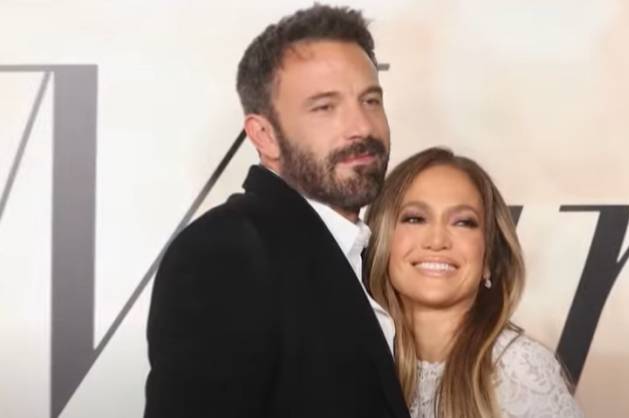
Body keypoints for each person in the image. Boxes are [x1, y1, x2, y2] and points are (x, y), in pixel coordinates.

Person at [145, 5, 409, 418]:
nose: (361, 125)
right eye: (325, 107)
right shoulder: (225, 252)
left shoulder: (358, 256)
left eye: (371, 100)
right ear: (264, 135)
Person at [365, 148, 584, 418]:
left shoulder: (518, 369)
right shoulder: (355, 361)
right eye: (415, 218)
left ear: (488, 256)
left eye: (463, 222)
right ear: (382, 238)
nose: (437, 240)